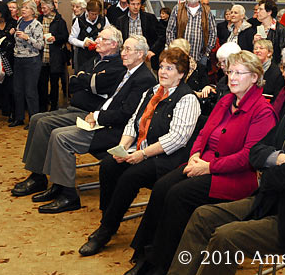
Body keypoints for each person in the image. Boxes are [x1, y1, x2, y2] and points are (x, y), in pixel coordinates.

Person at [167, 37, 285, 275]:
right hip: (278, 200)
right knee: (203, 216)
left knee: (227, 237)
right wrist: (281, 160)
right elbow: (258, 152)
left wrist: (275, 167)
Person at [121, 50, 277, 275]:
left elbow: (248, 157)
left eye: (239, 73)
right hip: (203, 164)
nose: (232, 77)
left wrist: (209, 167)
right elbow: (203, 134)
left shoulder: (263, 111)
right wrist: (195, 155)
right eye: (230, 71)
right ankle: (145, 255)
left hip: (235, 177)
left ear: (254, 77)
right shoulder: (226, 100)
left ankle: (162, 264)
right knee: (163, 187)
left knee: (178, 195)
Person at [76, 47, 201, 257]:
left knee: (130, 176)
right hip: (142, 149)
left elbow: (176, 139)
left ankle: (106, 230)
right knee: (108, 164)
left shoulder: (187, 99)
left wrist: (141, 155)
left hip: (168, 159)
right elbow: (133, 123)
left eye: (169, 68)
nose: (162, 72)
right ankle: (108, 218)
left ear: (181, 73)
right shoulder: (152, 92)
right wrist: (123, 147)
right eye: (161, 67)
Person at [29, 35, 156, 214]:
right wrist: (95, 115)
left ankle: (68, 195)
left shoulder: (143, 78)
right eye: (123, 49)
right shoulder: (128, 72)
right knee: (54, 130)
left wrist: (97, 116)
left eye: (128, 50)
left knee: (60, 137)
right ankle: (58, 186)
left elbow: (126, 114)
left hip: (115, 131)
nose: (123, 53)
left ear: (140, 54)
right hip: (102, 122)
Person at [10, 25, 127, 197]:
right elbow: (72, 80)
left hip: (88, 115)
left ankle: (39, 178)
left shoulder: (117, 66)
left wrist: (84, 80)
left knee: (44, 123)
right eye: (98, 37)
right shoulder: (95, 60)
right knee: (36, 118)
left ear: (114, 44)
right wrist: (85, 80)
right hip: (75, 107)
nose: (97, 41)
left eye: (102, 38)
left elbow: (95, 84)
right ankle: (37, 173)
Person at [165, 0, 217, 68]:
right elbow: (170, 31)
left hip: (200, 58)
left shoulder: (207, 11)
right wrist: (174, 50)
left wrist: (206, 52)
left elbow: (213, 33)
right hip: (179, 57)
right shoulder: (177, 9)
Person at [10, 0, 44, 127]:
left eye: (26, 8)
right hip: (18, 59)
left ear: (33, 11)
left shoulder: (37, 25)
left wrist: (27, 37)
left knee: (30, 92)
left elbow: (40, 45)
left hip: (32, 61)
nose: (23, 10)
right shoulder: (19, 21)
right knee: (17, 90)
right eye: (22, 7)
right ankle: (19, 118)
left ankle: (33, 120)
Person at [116, 0, 165, 71]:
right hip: (128, 57)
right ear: (128, 4)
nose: (136, 7)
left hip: (146, 58)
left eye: (138, 4)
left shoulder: (150, 18)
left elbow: (162, 35)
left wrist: (153, 50)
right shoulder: (121, 21)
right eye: (133, 4)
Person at [38, 0, 69, 112]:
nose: (42, 10)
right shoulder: (39, 20)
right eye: (41, 8)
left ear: (51, 8)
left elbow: (65, 36)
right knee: (42, 84)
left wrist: (55, 38)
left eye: (44, 8)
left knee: (54, 84)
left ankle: (54, 107)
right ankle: (42, 108)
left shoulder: (60, 21)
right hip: (42, 57)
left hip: (55, 57)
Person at [68, 0, 110, 73]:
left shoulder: (104, 20)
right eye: (92, 14)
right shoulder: (79, 21)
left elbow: (109, 35)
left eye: (96, 14)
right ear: (87, 11)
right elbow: (71, 38)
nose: (93, 16)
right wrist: (83, 43)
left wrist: (101, 39)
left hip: (99, 54)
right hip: (84, 56)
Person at [253, 0, 285, 64]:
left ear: (269, 12)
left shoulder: (281, 29)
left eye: (260, 9)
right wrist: (254, 42)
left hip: (274, 68)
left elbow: (283, 53)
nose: (257, 12)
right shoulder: (257, 28)